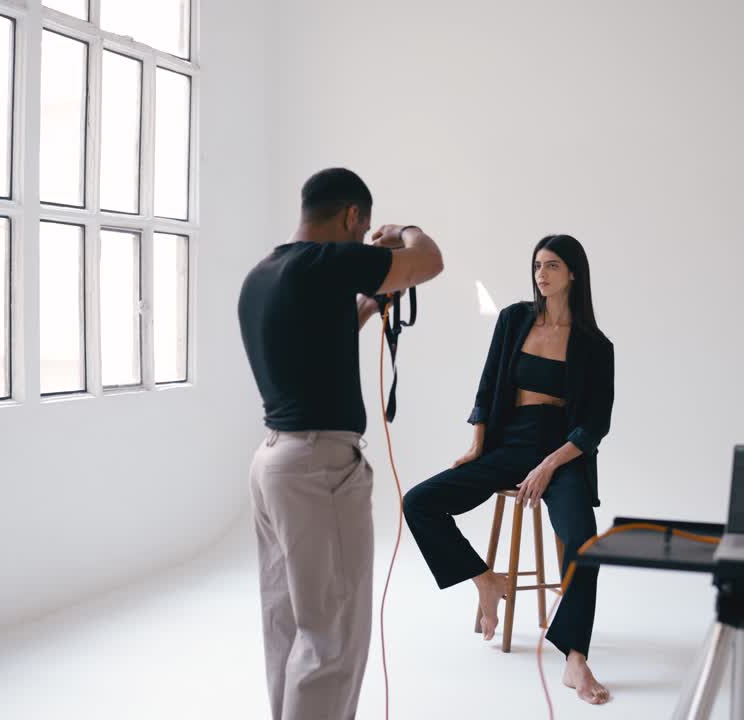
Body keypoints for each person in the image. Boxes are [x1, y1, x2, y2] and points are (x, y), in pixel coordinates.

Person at [237, 168, 445, 720]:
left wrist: (374, 305)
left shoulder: (266, 274)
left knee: (288, 624)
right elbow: (429, 262)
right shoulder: (325, 262)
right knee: (331, 637)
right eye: (364, 229)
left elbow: (321, 337)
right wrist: (405, 232)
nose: (364, 239)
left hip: (274, 465)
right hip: (318, 469)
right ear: (352, 216)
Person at [402, 234, 615, 705]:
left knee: (583, 540)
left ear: (573, 274)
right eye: (538, 265)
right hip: (508, 444)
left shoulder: (595, 346)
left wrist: (548, 466)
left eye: (553, 266)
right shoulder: (514, 319)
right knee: (418, 502)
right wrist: (477, 446)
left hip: (561, 454)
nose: (541, 274)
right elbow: (487, 386)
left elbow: (594, 427)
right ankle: (485, 580)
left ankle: (574, 658)